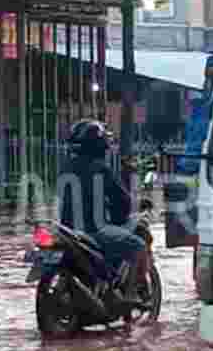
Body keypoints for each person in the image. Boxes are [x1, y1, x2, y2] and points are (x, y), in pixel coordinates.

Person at [56, 119, 149, 303]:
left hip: (67, 230)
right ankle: (130, 294)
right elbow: (122, 202)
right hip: (94, 231)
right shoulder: (100, 169)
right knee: (139, 246)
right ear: (98, 144)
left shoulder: (65, 168)